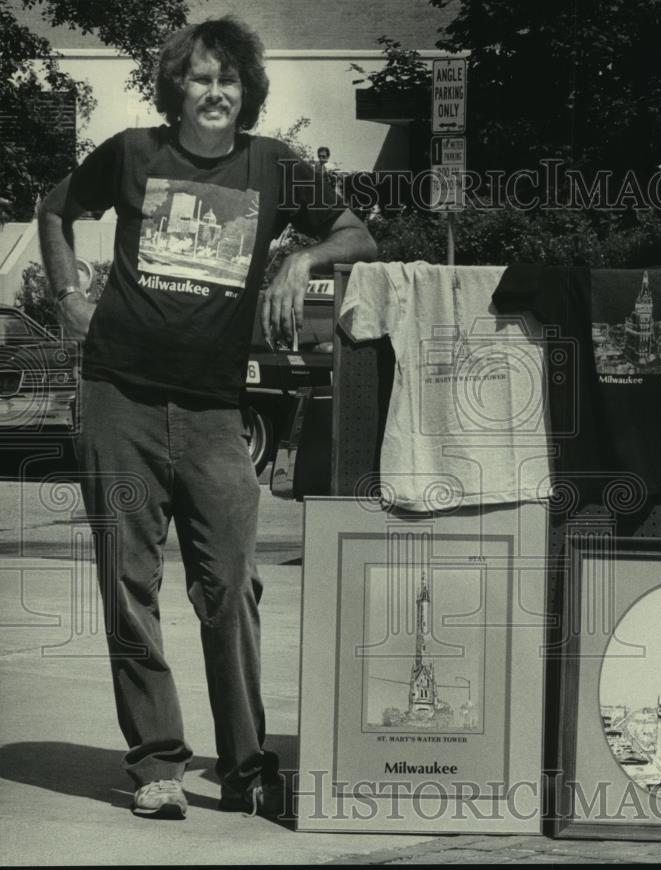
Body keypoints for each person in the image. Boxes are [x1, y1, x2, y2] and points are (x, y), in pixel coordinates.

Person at [36, 15, 376, 820]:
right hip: (118, 395)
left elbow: (358, 233)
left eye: (228, 79)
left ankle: (246, 764)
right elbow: (54, 211)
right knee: (130, 583)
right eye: (199, 77)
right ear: (177, 89)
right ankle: (156, 761)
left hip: (217, 410)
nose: (214, 91)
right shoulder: (131, 153)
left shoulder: (273, 166)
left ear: (246, 92)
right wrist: (68, 297)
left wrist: (303, 255)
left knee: (231, 586)